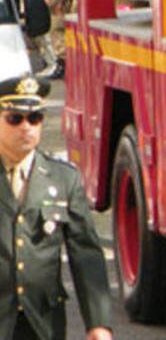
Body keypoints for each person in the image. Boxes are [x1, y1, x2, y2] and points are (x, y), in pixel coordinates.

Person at [0, 75, 113, 340]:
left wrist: (98, 323)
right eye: (15, 119)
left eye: (35, 118)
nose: (26, 127)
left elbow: (86, 253)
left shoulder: (63, 178)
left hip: (43, 322)